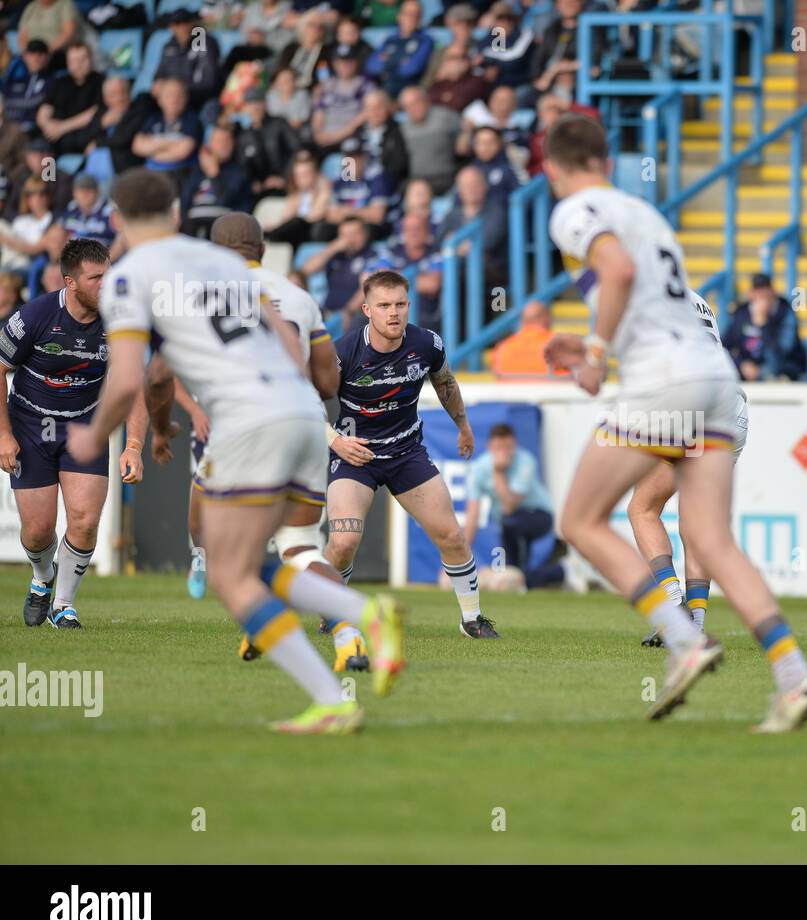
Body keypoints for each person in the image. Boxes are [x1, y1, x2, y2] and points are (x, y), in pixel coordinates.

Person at [68, 168, 405, 734]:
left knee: (229, 574)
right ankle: (356, 627)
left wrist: (97, 432)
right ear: (177, 215)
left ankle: (349, 658)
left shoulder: (132, 277)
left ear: (118, 220)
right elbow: (289, 341)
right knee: (261, 557)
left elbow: (132, 379)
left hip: (248, 422)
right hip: (302, 415)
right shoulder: (224, 265)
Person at [540, 113, 807, 732]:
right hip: (716, 379)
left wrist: (595, 354)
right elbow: (654, 304)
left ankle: (683, 639)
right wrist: (591, 344)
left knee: (580, 520)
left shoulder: (574, 210)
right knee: (712, 540)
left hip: (663, 381)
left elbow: (617, 272)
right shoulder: (646, 213)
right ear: (608, 162)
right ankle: (795, 677)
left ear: (550, 167)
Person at [207, 212, 369, 671]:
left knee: (224, 548)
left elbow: (158, 376)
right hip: (305, 425)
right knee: (300, 545)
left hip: (244, 430)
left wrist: (160, 430)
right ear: (262, 251)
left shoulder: (201, 296)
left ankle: (268, 620)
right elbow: (328, 382)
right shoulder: (299, 297)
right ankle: (350, 634)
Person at [324, 269, 502, 641]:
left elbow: (445, 381)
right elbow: (306, 401)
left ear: (409, 305)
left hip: (406, 453)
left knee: (452, 536)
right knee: (343, 542)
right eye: (384, 305)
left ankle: (472, 619)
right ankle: (331, 610)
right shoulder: (343, 353)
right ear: (367, 310)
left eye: (400, 304)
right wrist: (335, 441)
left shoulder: (427, 344)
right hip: (356, 456)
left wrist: (463, 425)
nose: (393, 313)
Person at [0, 238, 147, 629]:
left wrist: (133, 445)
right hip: (30, 425)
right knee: (37, 531)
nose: (106, 284)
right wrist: (3, 435)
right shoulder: (34, 316)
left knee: (84, 520)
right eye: (96, 277)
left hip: (85, 425)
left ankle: (63, 604)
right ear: (70, 282)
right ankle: (42, 578)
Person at [628, 289, 749, 648]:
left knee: (643, 508)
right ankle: (694, 624)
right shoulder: (696, 298)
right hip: (733, 409)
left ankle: (672, 604)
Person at [464, 423, 564, 590]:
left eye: (508, 447)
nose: (504, 452)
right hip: (507, 523)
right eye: (499, 447)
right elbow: (472, 515)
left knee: (511, 522)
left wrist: (498, 472)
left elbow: (510, 505)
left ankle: (553, 571)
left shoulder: (525, 461)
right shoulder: (478, 468)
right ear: (490, 447)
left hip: (538, 516)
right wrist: (461, 561)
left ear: (515, 445)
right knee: (516, 575)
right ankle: (559, 572)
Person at [720, 273, 807, 381]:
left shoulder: (785, 312)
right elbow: (723, 347)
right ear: (751, 294)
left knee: (772, 373)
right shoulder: (742, 313)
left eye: (765, 295)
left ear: (773, 293)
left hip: (783, 369)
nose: (762, 300)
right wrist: (741, 364)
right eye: (758, 295)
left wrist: (763, 326)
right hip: (748, 369)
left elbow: (778, 357)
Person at [34, 41, 101, 155]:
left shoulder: (101, 81)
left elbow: (95, 112)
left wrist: (62, 128)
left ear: (91, 59)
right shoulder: (60, 82)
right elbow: (44, 110)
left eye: (83, 59)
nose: (78, 65)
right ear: (68, 63)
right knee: (34, 147)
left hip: (81, 135)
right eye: (74, 61)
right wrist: (48, 126)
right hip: (53, 135)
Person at [365, 1, 433, 98]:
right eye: (407, 14)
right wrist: (401, 60)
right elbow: (372, 66)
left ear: (420, 18)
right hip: (384, 88)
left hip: (409, 89)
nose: (410, 18)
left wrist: (388, 63)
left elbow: (411, 69)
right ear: (399, 16)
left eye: (415, 15)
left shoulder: (425, 40)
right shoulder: (390, 39)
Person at [492, 299, 558, 378]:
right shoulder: (559, 345)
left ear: (523, 321)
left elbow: (497, 375)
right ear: (547, 319)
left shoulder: (502, 348)